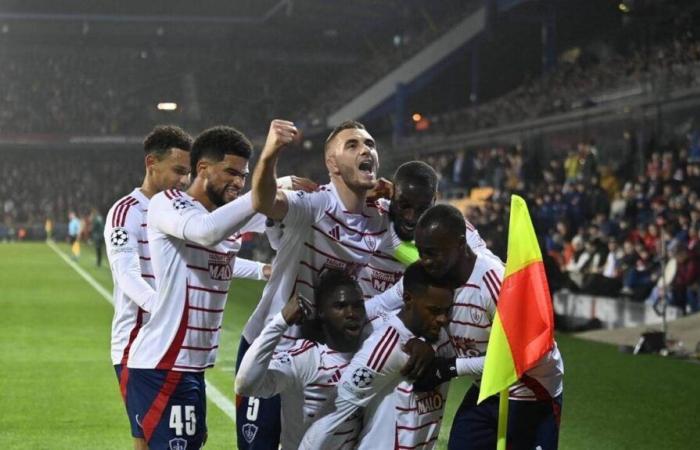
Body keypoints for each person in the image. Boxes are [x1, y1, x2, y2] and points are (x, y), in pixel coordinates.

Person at [237, 119, 391, 449]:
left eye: (370, 144)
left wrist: (402, 194)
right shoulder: (315, 205)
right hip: (271, 347)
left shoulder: (379, 218)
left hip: (326, 358)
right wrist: (270, 153)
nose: (366, 149)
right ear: (331, 163)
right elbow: (265, 202)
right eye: (352, 145)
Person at [366, 204, 564, 450]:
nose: (425, 261)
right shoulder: (436, 275)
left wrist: (449, 367)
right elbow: (386, 304)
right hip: (487, 389)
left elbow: (521, 357)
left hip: (530, 391)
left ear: (460, 244)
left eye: (432, 253)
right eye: (421, 252)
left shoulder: (493, 282)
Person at [124, 125, 273, 449]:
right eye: (231, 172)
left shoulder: (226, 214)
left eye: (245, 175)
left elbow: (284, 213)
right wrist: (271, 162)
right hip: (164, 365)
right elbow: (207, 232)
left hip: (190, 366)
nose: (238, 181)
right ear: (202, 169)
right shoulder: (169, 203)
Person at [299, 262, 454, 450]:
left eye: (447, 310)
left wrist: (432, 346)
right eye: (435, 311)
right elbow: (332, 416)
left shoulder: (441, 337)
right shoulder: (383, 343)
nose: (443, 319)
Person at [104, 125, 192, 449]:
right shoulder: (125, 212)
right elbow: (128, 277)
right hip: (137, 347)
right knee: (148, 439)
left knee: (184, 437)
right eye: (178, 171)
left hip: (177, 345)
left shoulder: (181, 213)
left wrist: (263, 269)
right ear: (151, 163)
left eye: (188, 172)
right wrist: (167, 310)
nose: (184, 180)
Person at [235, 269, 367, 449]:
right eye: (340, 306)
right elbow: (245, 385)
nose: (351, 313)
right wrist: (280, 321)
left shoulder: (371, 352)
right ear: (321, 312)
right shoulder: (306, 358)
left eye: (358, 305)